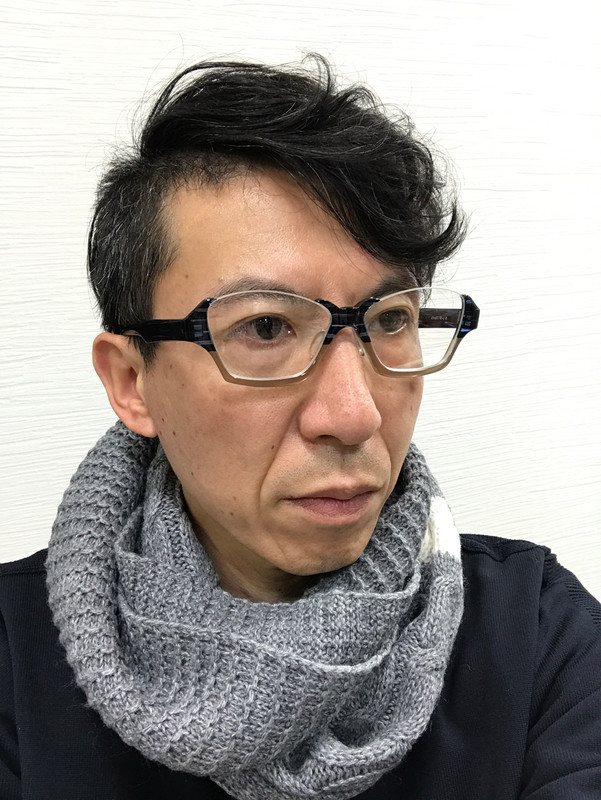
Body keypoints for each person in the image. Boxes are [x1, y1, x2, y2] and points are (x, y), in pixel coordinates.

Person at [0, 56, 599, 800]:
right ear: (132, 382)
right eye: (265, 326)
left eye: (390, 320)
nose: (354, 414)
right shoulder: (16, 663)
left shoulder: (536, 634)